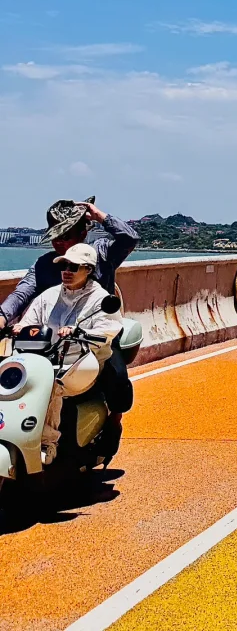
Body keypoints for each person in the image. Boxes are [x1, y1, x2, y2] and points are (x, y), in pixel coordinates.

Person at [0, 197, 139, 426]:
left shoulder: (101, 253)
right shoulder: (45, 264)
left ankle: (114, 422)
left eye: (66, 236)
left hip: (93, 337)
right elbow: (21, 294)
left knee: (116, 376)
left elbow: (129, 239)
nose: (59, 243)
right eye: (55, 237)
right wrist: (2, 317)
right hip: (52, 340)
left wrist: (100, 216)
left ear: (82, 233)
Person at [14, 243, 124, 465]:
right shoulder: (49, 296)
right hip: (46, 360)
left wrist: (81, 332)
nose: (66, 271)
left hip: (83, 362)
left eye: (73, 267)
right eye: (64, 266)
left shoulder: (99, 299)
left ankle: (47, 444)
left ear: (88, 269)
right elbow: (29, 322)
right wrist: (19, 327)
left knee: (51, 385)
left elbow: (109, 330)